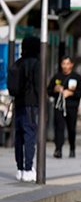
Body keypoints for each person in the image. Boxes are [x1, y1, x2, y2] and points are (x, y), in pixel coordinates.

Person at [12, 36, 40, 182]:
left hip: (18, 104)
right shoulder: (36, 64)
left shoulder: (18, 63)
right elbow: (38, 87)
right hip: (31, 104)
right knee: (30, 136)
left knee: (19, 136)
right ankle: (29, 169)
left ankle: (20, 168)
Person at [47, 56, 81, 158]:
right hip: (59, 106)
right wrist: (55, 90)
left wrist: (71, 93)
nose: (65, 66)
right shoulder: (57, 77)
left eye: (67, 64)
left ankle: (72, 148)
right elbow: (49, 90)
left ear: (71, 65)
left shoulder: (76, 77)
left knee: (71, 129)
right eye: (63, 64)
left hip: (72, 107)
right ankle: (58, 149)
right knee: (59, 128)